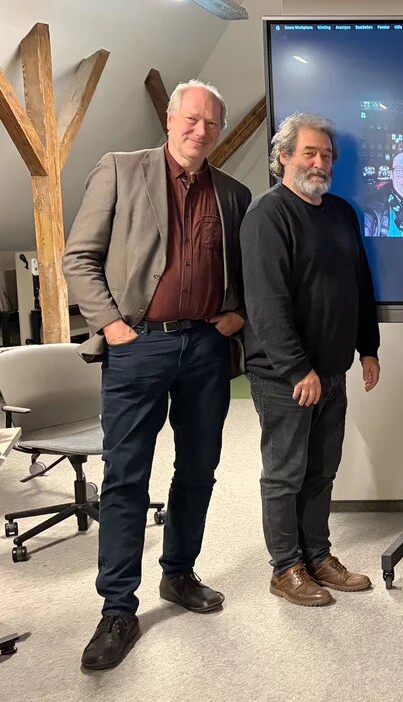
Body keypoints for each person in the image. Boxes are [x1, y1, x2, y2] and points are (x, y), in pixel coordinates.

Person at [63, 79, 252, 671]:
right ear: (169, 119)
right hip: (136, 346)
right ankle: (117, 607)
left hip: (204, 348)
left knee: (199, 469)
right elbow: (79, 257)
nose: (201, 131)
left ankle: (178, 574)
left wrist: (237, 313)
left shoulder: (234, 192)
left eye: (212, 123)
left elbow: (244, 270)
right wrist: (113, 326)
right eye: (191, 119)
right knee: (126, 479)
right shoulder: (121, 169)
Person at [240, 112, 381, 607]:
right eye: (309, 153)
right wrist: (298, 368)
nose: (319, 162)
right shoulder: (267, 215)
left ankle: (317, 555)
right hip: (286, 377)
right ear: (283, 157)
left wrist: (368, 347)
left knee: (322, 469)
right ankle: (285, 567)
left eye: (325, 155)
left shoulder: (340, 211)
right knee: (285, 473)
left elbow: (358, 285)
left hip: (333, 371)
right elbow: (265, 303)